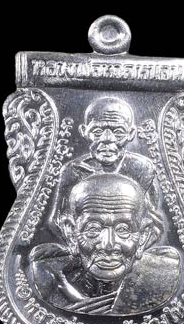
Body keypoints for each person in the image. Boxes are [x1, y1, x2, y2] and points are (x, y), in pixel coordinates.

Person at [31, 173, 180, 315]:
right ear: (71, 233)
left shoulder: (162, 276)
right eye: (93, 229)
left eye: (123, 230)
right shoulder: (48, 277)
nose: (108, 245)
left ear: (143, 236)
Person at [49, 97, 159, 238]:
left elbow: (152, 222)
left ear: (130, 134)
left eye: (118, 132)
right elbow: (56, 220)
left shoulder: (141, 169)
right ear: (84, 132)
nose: (107, 138)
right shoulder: (74, 170)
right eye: (97, 131)